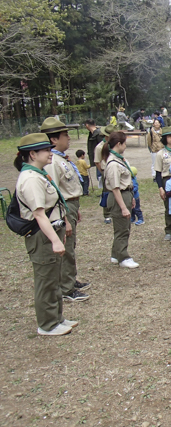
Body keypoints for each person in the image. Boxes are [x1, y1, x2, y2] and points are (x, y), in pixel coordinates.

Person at [14, 133, 78, 336]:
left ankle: (57, 317)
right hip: (42, 236)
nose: (50, 154)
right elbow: (39, 215)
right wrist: (54, 240)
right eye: (46, 151)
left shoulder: (39, 174)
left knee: (53, 277)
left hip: (52, 230)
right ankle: (47, 324)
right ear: (32, 154)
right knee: (46, 280)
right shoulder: (30, 179)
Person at [43, 118, 90, 303]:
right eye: (65, 135)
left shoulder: (61, 158)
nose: (69, 139)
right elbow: (53, 192)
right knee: (67, 246)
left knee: (71, 245)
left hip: (70, 205)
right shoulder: (52, 161)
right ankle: (66, 288)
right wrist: (64, 217)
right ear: (54, 140)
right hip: (62, 207)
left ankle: (70, 279)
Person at [102, 131, 139, 269]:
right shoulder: (113, 163)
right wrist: (123, 207)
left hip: (126, 194)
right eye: (124, 143)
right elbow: (115, 188)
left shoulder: (120, 159)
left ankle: (115, 254)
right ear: (119, 144)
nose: (125, 146)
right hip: (119, 196)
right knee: (122, 229)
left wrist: (131, 198)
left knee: (122, 227)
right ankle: (123, 257)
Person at [96, 125, 118, 224]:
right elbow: (97, 161)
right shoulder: (100, 147)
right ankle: (107, 214)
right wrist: (102, 172)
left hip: (116, 169)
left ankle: (116, 210)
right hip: (106, 170)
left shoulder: (115, 145)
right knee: (107, 192)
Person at [85, 119, 102, 190]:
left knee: (100, 175)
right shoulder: (92, 134)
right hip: (96, 158)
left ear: (87, 125)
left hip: (100, 159)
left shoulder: (98, 134)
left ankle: (104, 191)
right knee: (98, 176)